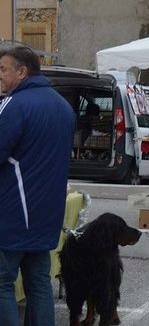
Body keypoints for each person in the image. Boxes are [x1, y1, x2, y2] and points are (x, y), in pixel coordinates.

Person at [0, 46, 75, 325]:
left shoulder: (14, 105)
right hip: (47, 213)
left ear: (22, 72)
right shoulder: (63, 107)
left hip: (13, 212)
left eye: (3, 69)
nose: (0, 75)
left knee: (2, 282)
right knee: (39, 282)